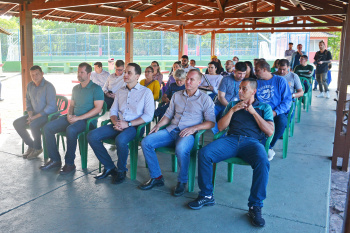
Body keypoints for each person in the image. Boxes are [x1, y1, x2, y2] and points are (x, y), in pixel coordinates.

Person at [188, 77, 274, 228]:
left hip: (252, 142)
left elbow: (270, 131)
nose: (239, 91)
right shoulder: (233, 105)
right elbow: (220, 127)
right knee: (205, 153)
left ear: (253, 91)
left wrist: (253, 112)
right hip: (231, 140)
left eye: (244, 89)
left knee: (263, 162)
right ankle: (206, 194)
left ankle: (255, 206)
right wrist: (233, 110)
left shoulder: (264, 107)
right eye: (239, 88)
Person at [139, 69, 215, 196]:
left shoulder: (205, 99)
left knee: (181, 149)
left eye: (192, 80)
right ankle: (156, 177)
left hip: (188, 133)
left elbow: (211, 122)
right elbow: (168, 115)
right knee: (146, 142)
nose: (188, 82)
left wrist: (194, 128)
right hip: (171, 130)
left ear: (199, 82)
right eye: (187, 79)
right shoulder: (177, 95)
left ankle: (182, 181)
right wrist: (158, 125)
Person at [87, 63, 154, 184]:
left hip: (135, 127)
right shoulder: (120, 91)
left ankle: (121, 170)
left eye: (129, 73)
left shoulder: (146, 92)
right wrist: (116, 122)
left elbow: (148, 116)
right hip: (118, 123)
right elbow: (113, 111)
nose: (126, 75)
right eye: (125, 72)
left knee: (121, 140)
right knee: (92, 135)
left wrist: (127, 124)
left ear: (137, 76)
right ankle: (109, 167)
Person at [41, 63, 104, 174]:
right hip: (73, 118)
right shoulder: (76, 88)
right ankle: (55, 159)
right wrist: (70, 115)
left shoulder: (96, 88)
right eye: (78, 72)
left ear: (89, 74)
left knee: (71, 129)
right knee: (48, 127)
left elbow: (98, 109)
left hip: (87, 121)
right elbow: (72, 105)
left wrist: (78, 118)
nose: (79, 75)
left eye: (81, 72)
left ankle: (70, 164)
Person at [13, 65, 57, 159]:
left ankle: (37, 148)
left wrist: (33, 118)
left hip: (48, 115)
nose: (35, 77)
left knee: (33, 124)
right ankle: (31, 145)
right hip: (35, 114)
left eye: (37, 74)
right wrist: (30, 115)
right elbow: (28, 102)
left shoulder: (48, 86)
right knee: (17, 123)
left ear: (42, 74)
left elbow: (51, 107)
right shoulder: (30, 85)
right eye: (32, 75)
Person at [255, 60, 292, 161]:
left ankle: (268, 146)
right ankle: (256, 145)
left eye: (257, 70)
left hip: (276, 111)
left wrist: (275, 112)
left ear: (265, 70)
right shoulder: (256, 82)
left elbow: (287, 101)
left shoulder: (280, 81)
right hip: (260, 111)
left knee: (281, 122)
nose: (255, 72)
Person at [213, 62, 247, 134]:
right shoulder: (226, 79)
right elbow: (221, 97)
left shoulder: (245, 82)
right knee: (210, 116)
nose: (242, 76)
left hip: (235, 106)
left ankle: (221, 133)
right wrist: (230, 107)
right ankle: (218, 134)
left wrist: (233, 108)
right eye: (240, 73)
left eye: (244, 73)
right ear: (234, 71)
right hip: (220, 104)